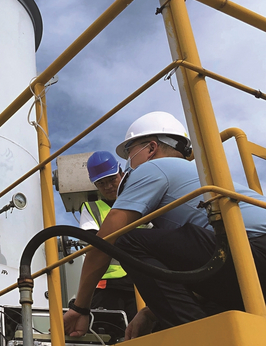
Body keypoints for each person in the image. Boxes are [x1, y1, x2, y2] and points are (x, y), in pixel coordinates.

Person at [63, 111, 266, 340]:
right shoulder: (197, 176)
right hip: (248, 264)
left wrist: (80, 308)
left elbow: (105, 241)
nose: (130, 164)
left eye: (130, 153)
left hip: (251, 251)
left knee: (126, 239)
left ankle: (197, 338)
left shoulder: (154, 168)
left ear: (150, 148)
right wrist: (150, 312)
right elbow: (200, 269)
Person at [78, 151, 138, 322]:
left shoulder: (139, 199)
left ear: (121, 173)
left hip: (141, 280)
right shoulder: (91, 208)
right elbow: (92, 244)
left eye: (112, 179)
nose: (108, 186)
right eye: (101, 183)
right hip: (107, 285)